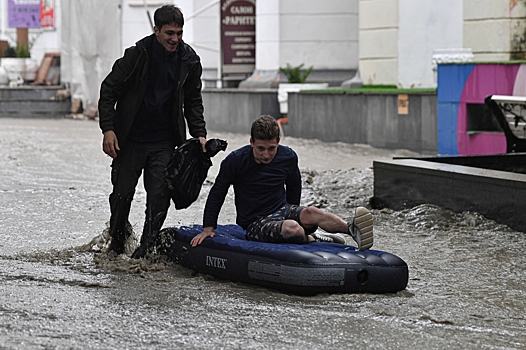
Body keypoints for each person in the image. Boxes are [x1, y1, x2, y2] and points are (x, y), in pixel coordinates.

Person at [98, 5, 207, 258]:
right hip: (130, 140)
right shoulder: (137, 55)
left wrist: (199, 133)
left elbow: (193, 101)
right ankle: (116, 244)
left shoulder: (189, 60)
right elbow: (108, 91)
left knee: (159, 195)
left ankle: (146, 249)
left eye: (179, 33)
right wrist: (108, 130)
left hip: (165, 142)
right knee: (122, 194)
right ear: (156, 30)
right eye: (169, 33)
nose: (175, 39)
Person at [190, 115, 374, 250]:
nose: (266, 154)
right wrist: (208, 228)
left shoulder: (288, 156)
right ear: (251, 142)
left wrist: (297, 213)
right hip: (255, 222)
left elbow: (294, 184)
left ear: (278, 141)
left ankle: (352, 229)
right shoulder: (235, 161)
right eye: (260, 148)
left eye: (271, 148)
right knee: (293, 229)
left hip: (282, 210)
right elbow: (218, 192)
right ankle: (313, 239)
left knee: (312, 212)